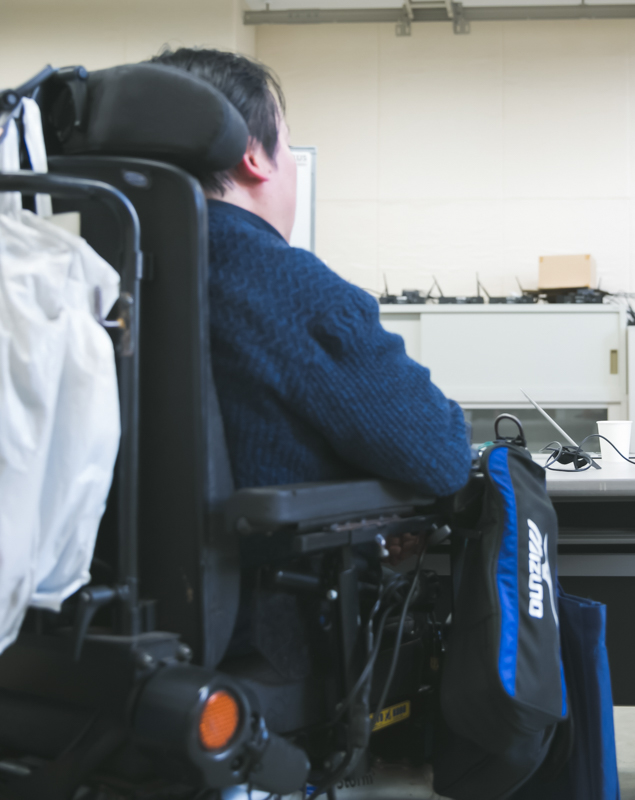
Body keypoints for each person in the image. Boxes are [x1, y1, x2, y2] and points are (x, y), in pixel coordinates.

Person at [149, 48, 473, 641]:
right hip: (271, 634)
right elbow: (443, 453)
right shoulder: (292, 289)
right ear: (254, 155)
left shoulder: (99, 271)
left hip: (108, 635)